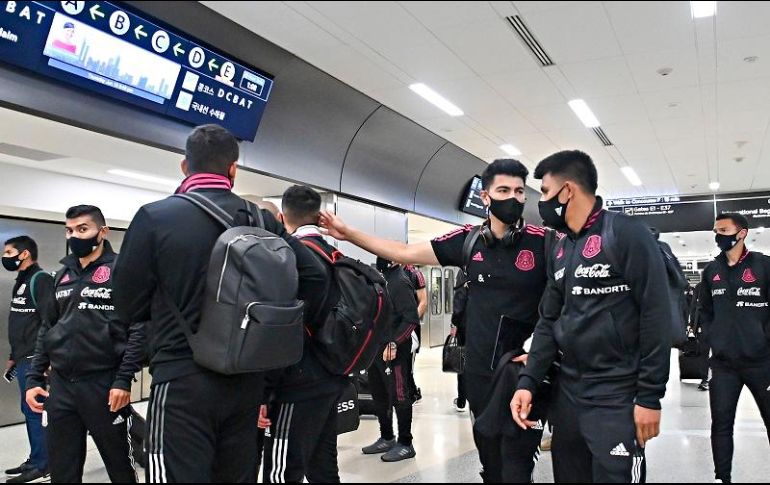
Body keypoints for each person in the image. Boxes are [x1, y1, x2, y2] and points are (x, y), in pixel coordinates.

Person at [112, 125, 327, 483]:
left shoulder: (155, 217)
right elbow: (316, 278)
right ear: (232, 169)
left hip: (181, 375)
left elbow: (125, 303)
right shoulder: (262, 220)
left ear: (185, 167)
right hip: (245, 377)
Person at [321, 159, 551, 482]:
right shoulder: (468, 242)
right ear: (485, 197)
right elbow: (402, 252)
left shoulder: (544, 243)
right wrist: (348, 234)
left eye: (518, 191)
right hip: (479, 373)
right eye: (503, 190)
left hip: (521, 374)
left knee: (517, 465)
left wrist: (541, 352)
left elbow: (567, 304)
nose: (512, 198)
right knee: (491, 461)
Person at [512, 150, 672, 483]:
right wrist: (528, 381)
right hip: (568, 395)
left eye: (544, 191)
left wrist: (649, 397)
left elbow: (656, 318)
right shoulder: (560, 248)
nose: (541, 201)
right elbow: (548, 321)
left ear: (567, 191)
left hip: (617, 395)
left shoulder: (627, 234)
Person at [25, 206, 141, 483]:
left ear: (103, 232)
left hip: (103, 384)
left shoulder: (122, 270)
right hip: (62, 385)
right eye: (69, 229)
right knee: (63, 468)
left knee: (119, 465)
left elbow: (138, 328)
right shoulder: (62, 274)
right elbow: (48, 327)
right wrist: (33, 378)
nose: (74, 235)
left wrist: (123, 380)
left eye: (82, 229)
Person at [259, 185, 346, 483]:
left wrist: (265, 391)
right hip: (333, 373)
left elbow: (282, 329)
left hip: (297, 382)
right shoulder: (336, 255)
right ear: (320, 218)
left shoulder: (290, 258)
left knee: (282, 471)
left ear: (282, 218)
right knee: (323, 465)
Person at [699, 213, 770, 484]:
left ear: (742, 233)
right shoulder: (711, 270)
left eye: (724, 230)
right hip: (723, 364)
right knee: (721, 425)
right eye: (716, 230)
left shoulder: (763, 266)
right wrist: (712, 337)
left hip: (762, 362)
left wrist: (763, 338)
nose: (719, 236)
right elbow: (704, 311)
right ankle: (722, 478)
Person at [361, 256, 421, 463]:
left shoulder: (400, 282)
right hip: (375, 350)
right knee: (379, 396)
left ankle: (406, 443)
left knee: (400, 396)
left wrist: (394, 342)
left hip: (395, 352)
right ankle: (386, 436)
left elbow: (411, 319)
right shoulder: (379, 279)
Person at [2, 236, 52, 483]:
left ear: (24, 254)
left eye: (9, 251)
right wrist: (13, 356)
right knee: (28, 409)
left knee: (35, 410)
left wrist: (47, 361)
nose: (5, 256)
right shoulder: (20, 281)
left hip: (36, 358)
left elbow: (49, 320)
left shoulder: (39, 279)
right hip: (22, 357)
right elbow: (20, 322)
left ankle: (44, 465)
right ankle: (35, 458)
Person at [403, 265, 427, 405]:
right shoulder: (389, 272)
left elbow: (423, 302)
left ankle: (412, 393)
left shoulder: (415, 274)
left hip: (410, 327)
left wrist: (410, 321)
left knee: (407, 364)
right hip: (395, 327)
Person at [451, 271, 468, 413]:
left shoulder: (463, 271)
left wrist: (454, 323)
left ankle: (462, 401)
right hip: (487, 325)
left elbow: (460, 298)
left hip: (466, 325)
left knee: (462, 361)